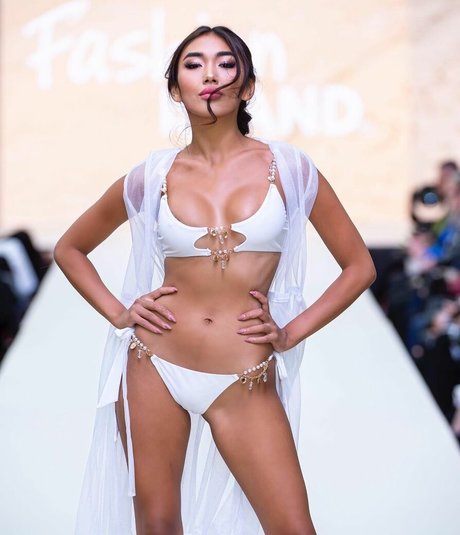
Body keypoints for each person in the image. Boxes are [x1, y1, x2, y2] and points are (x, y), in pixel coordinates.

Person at [54, 25, 376, 535]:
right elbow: (69, 248)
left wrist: (290, 333)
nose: (210, 74)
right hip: (154, 364)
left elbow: (359, 266)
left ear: (247, 86)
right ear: (174, 88)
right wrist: (120, 312)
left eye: (226, 63)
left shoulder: (290, 168)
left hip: (243, 375)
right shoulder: (151, 176)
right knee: (158, 525)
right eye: (193, 64)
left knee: (294, 528)